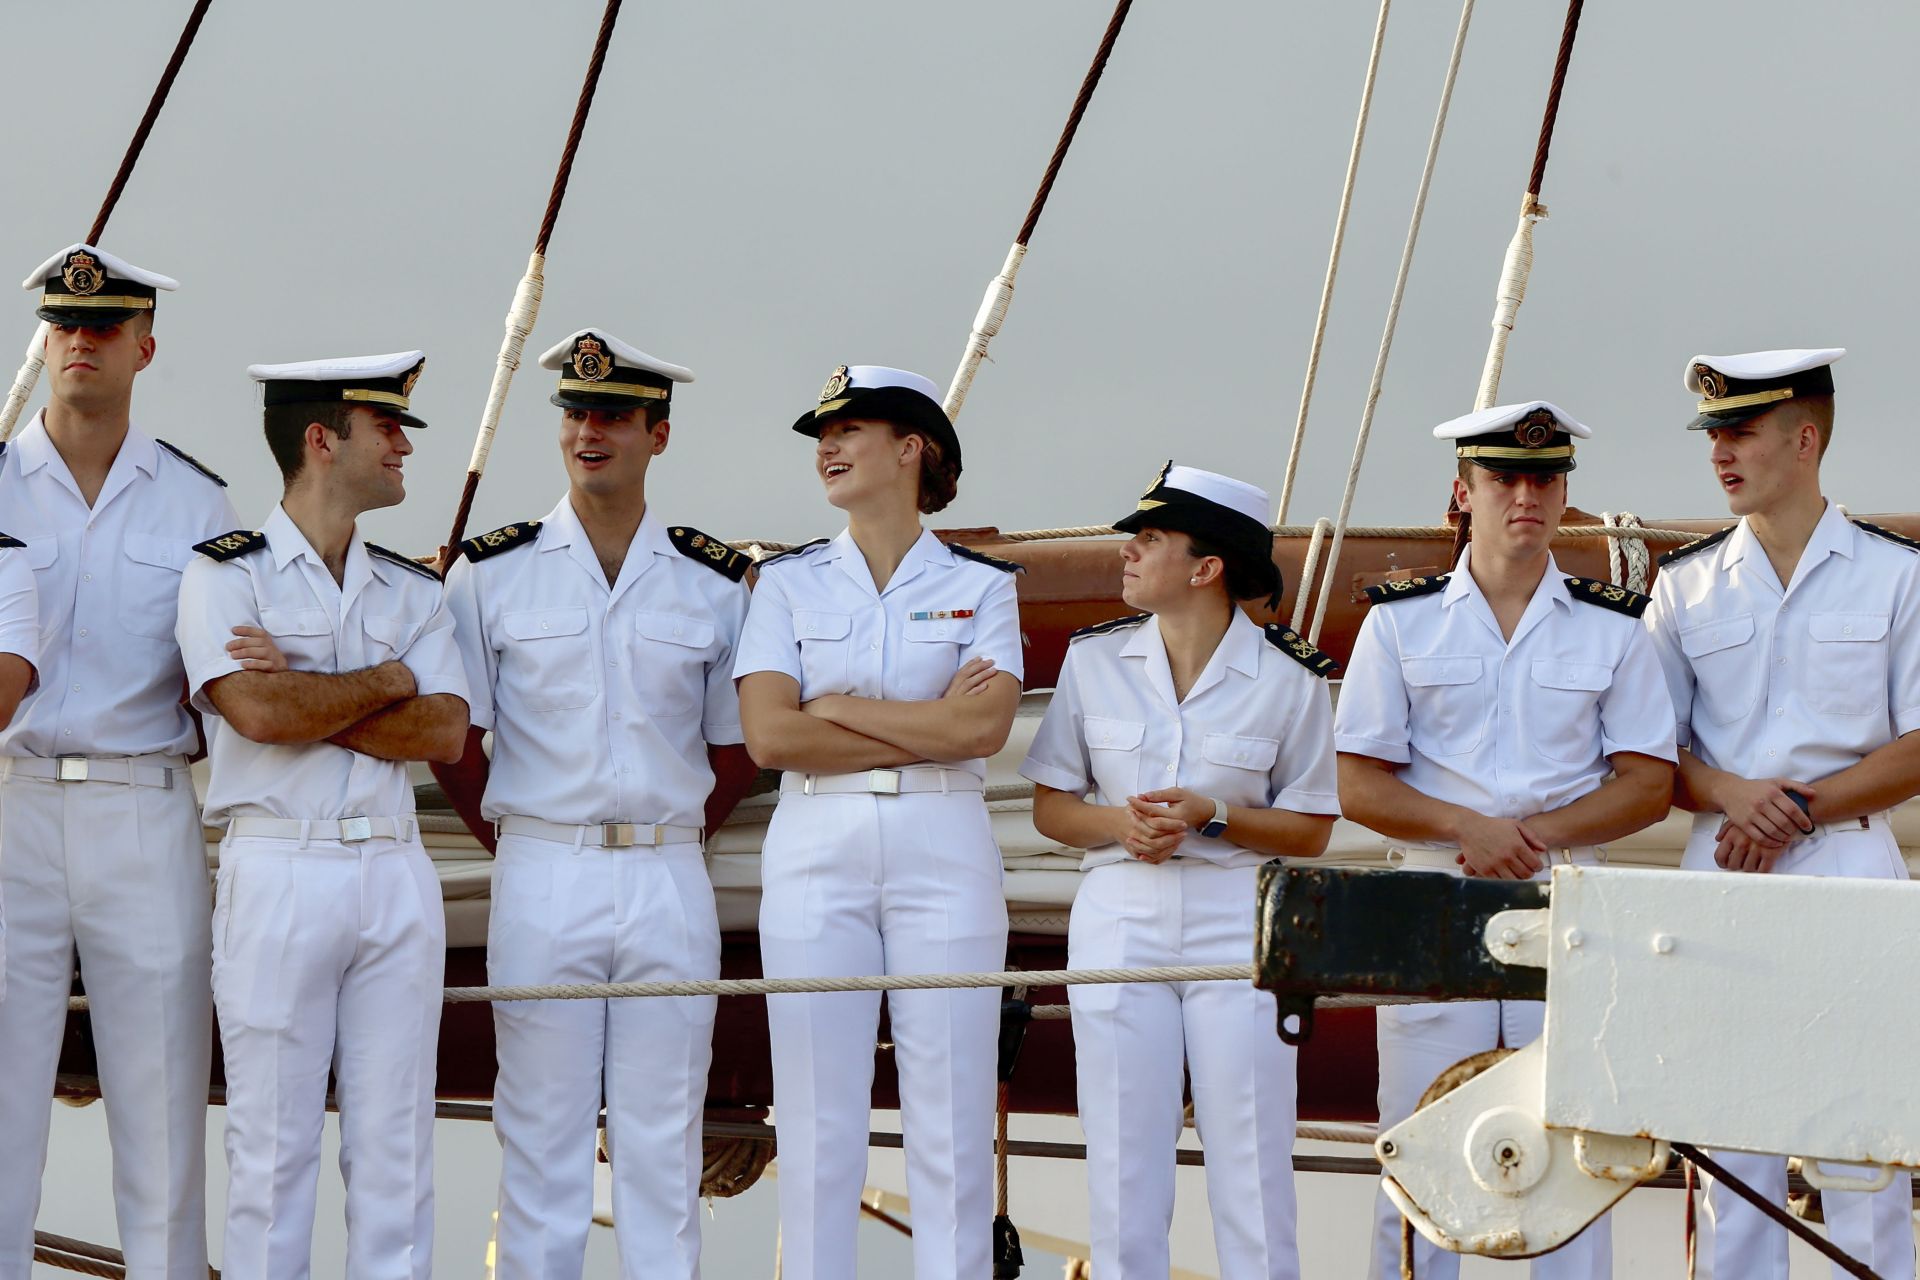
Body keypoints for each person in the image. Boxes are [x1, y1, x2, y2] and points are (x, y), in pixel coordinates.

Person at [434, 328, 759, 1279]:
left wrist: (682, 826)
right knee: (541, 1137)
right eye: (576, 412)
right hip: (541, 864)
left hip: (668, 871)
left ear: (659, 433)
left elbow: (735, 745)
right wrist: (518, 840)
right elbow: (459, 740)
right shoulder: (490, 573)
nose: (590, 430)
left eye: (614, 414)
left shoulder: (712, 579)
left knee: (665, 1141)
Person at [1334, 401, 1677, 1280]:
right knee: (1416, 1152)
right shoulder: (1399, 621)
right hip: (1431, 901)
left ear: (1564, 494)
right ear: (1464, 493)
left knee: (1576, 1159)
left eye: (1544, 478)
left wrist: (1526, 836)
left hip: (1566, 903)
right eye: (1503, 479)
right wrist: (1464, 829)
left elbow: (1648, 782)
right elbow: (1359, 783)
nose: (1525, 494)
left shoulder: (1613, 624)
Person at [174, 352, 469, 1279]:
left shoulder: (414, 589)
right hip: (278, 869)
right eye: (387, 428)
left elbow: (448, 732)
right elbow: (257, 716)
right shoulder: (225, 575)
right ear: (321, 439)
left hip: (394, 868)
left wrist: (306, 685)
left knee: (397, 1150)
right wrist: (386, 679)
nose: (404, 448)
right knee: (270, 1149)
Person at [734, 365, 1023, 1279]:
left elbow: (981, 727)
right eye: (824, 432)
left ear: (911, 449)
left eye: (850, 429)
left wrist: (841, 704)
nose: (827, 446)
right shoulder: (786, 584)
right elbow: (772, 738)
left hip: (946, 846)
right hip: (817, 845)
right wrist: (924, 729)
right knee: (818, 1118)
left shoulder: (981, 585)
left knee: (951, 1110)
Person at [1019, 463, 1339, 1280]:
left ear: (1207, 567)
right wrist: (1119, 826)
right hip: (1119, 913)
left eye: (1151, 539)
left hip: (1239, 914)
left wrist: (1214, 814)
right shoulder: (1095, 662)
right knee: (1124, 1160)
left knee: (1253, 1157)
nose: (1129, 551)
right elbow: (1053, 807)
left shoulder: (1290, 677)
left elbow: (1310, 829)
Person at [1643, 349, 1920, 1280]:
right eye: (1714, 436)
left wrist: (1794, 810)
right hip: (1722, 872)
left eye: (1741, 432)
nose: (1721, 453)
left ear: (1805, 440)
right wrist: (1735, 796)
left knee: (1862, 1144)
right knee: (1728, 1153)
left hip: (1848, 866)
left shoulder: (1896, 577)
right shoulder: (1683, 586)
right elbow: (1651, 754)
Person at [0, 245, 238, 1280]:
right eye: (64, 326)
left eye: (102, 329)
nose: (80, 342)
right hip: (13, 802)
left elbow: (228, 680)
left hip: (145, 805)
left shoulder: (197, 503)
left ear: (145, 345)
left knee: (162, 1108)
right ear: (43, 341)